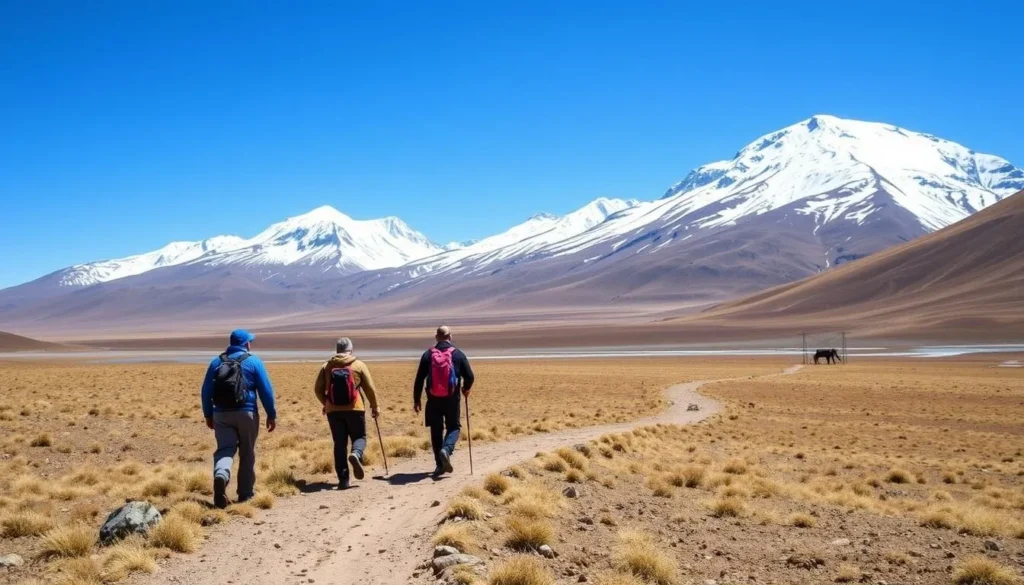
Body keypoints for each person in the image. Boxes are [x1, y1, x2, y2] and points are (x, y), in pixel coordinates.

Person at [201, 329, 277, 509]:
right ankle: (245, 494)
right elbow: (266, 391)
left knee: (225, 449)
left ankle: (222, 474)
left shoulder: (216, 362)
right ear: (246, 344)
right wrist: (271, 414)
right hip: (247, 413)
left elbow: (205, 391)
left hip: (221, 414)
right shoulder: (254, 361)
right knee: (247, 452)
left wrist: (208, 415)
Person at [314, 337, 380, 489]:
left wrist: (326, 402)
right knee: (360, 437)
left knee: (339, 444)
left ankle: (343, 480)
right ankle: (356, 454)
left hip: (333, 411)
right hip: (355, 408)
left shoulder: (327, 366)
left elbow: (317, 389)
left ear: (337, 350)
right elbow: (369, 388)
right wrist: (375, 406)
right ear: (351, 350)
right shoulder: (358, 365)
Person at [414, 325, 474, 477]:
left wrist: (416, 400)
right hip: (452, 399)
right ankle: (446, 450)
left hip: (433, 400)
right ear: (450, 337)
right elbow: (470, 376)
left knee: (436, 430)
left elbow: (419, 379)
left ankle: (439, 465)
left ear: (436, 337)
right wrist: (466, 389)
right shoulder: (458, 354)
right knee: (454, 427)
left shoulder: (428, 355)